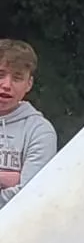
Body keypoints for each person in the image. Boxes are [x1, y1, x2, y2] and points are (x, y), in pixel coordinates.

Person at [0, 39, 58, 208]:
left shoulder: (40, 131)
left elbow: (31, 193)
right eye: (0, 75)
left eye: (17, 78)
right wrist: (8, 178)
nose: (6, 85)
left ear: (29, 84)